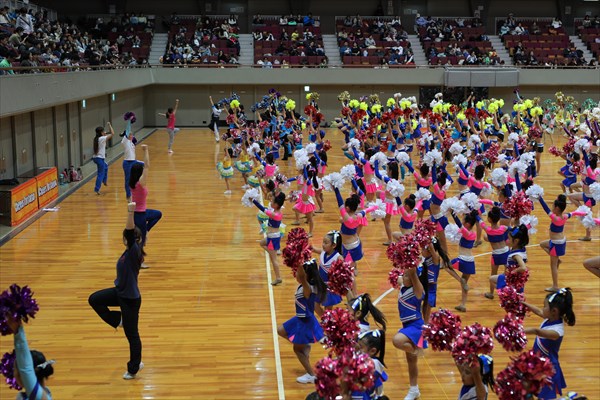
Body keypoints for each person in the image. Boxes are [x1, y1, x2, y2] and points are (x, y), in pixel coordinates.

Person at [88, 201, 144, 380]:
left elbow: (129, 230)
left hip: (130, 300)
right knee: (94, 299)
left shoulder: (135, 252)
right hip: (119, 293)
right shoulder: (127, 253)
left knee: (132, 335)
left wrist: (130, 211)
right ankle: (117, 319)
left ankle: (134, 367)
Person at [277, 259, 327, 384]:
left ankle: (311, 375)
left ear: (306, 275)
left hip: (305, 321)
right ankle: (304, 344)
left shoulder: (308, 288)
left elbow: (302, 276)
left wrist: (297, 258)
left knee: (297, 350)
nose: (295, 274)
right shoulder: (308, 287)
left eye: (298, 272)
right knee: (280, 330)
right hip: (300, 318)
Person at [523, 288, 576, 399]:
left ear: (554, 311)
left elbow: (535, 331)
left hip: (547, 369)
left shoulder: (557, 331)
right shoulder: (551, 318)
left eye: (545, 306)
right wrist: (524, 304)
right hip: (537, 363)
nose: (543, 309)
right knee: (527, 387)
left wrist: (517, 331)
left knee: (544, 397)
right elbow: (538, 311)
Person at [537, 194, 586, 292]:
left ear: (557, 208)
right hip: (558, 241)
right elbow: (575, 213)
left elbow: (546, 209)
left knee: (553, 266)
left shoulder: (555, 218)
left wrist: (540, 199)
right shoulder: (565, 216)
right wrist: (583, 213)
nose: (551, 208)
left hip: (556, 243)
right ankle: (557, 260)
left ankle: (555, 286)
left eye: (553, 206)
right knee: (542, 244)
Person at [392, 267, 427, 400]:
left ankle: (417, 350)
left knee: (397, 340)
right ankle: (414, 390)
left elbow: (413, 275)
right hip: (406, 325)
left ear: (413, 279)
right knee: (411, 362)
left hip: (416, 326)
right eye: (404, 275)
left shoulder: (417, 290)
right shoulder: (403, 285)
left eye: (407, 276)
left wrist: (412, 272)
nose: (403, 277)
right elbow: (399, 275)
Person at [4, 316, 54, 399]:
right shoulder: (44, 392)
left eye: (15, 371)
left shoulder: (38, 397)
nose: (14, 375)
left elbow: (26, 368)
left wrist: (18, 331)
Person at [129, 145, 163, 264]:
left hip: (140, 212)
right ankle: (139, 261)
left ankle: (146, 230)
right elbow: (147, 166)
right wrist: (146, 150)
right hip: (139, 216)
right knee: (140, 240)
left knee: (158, 214)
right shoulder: (140, 183)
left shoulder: (132, 183)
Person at [252, 192, 286, 285]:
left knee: (273, 260)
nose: (271, 202)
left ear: (276, 205)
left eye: (272, 201)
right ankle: (273, 252)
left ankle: (278, 277)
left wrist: (253, 200)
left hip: (273, 238)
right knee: (261, 243)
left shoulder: (275, 215)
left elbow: (263, 209)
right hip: (272, 236)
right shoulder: (277, 212)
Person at [311, 230, 344, 316]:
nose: (323, 244)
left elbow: (344, 272)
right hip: (319, 285)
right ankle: (325, 321)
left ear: (334, 245)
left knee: (328, 310)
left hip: (330, 288)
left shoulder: (338, 257)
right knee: (315, 305)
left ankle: (327, 322)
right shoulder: (323, 252)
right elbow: (314, 249)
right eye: (323, 242)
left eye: (326, 243)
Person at [354, 329, 389, 400]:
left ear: (372, 351)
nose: (357, 349)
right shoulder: (361, 358)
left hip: (363, 395)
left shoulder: (374, 363)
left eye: (360, 347)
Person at [92, 122, 114, 195]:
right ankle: (97, 189)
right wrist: (109, 125)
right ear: (101, 132)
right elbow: (112, 133)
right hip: (99, 158)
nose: (105, 132)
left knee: (106, 166)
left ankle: (104, 181)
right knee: (100, 173)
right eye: (103, 131)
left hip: (96, 158)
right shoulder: (102, 138)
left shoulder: (97, 138)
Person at [121, 121, 138, 202]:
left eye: (132, 134)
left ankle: (134, 193)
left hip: (133, 162)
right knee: (128, 179)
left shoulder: (131, 143)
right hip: (127, 163)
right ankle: (128, 196)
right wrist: (128, 120)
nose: (132, 136)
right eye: (130, 135)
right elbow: (128, 130)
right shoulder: (125, 141)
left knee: (135, 179)